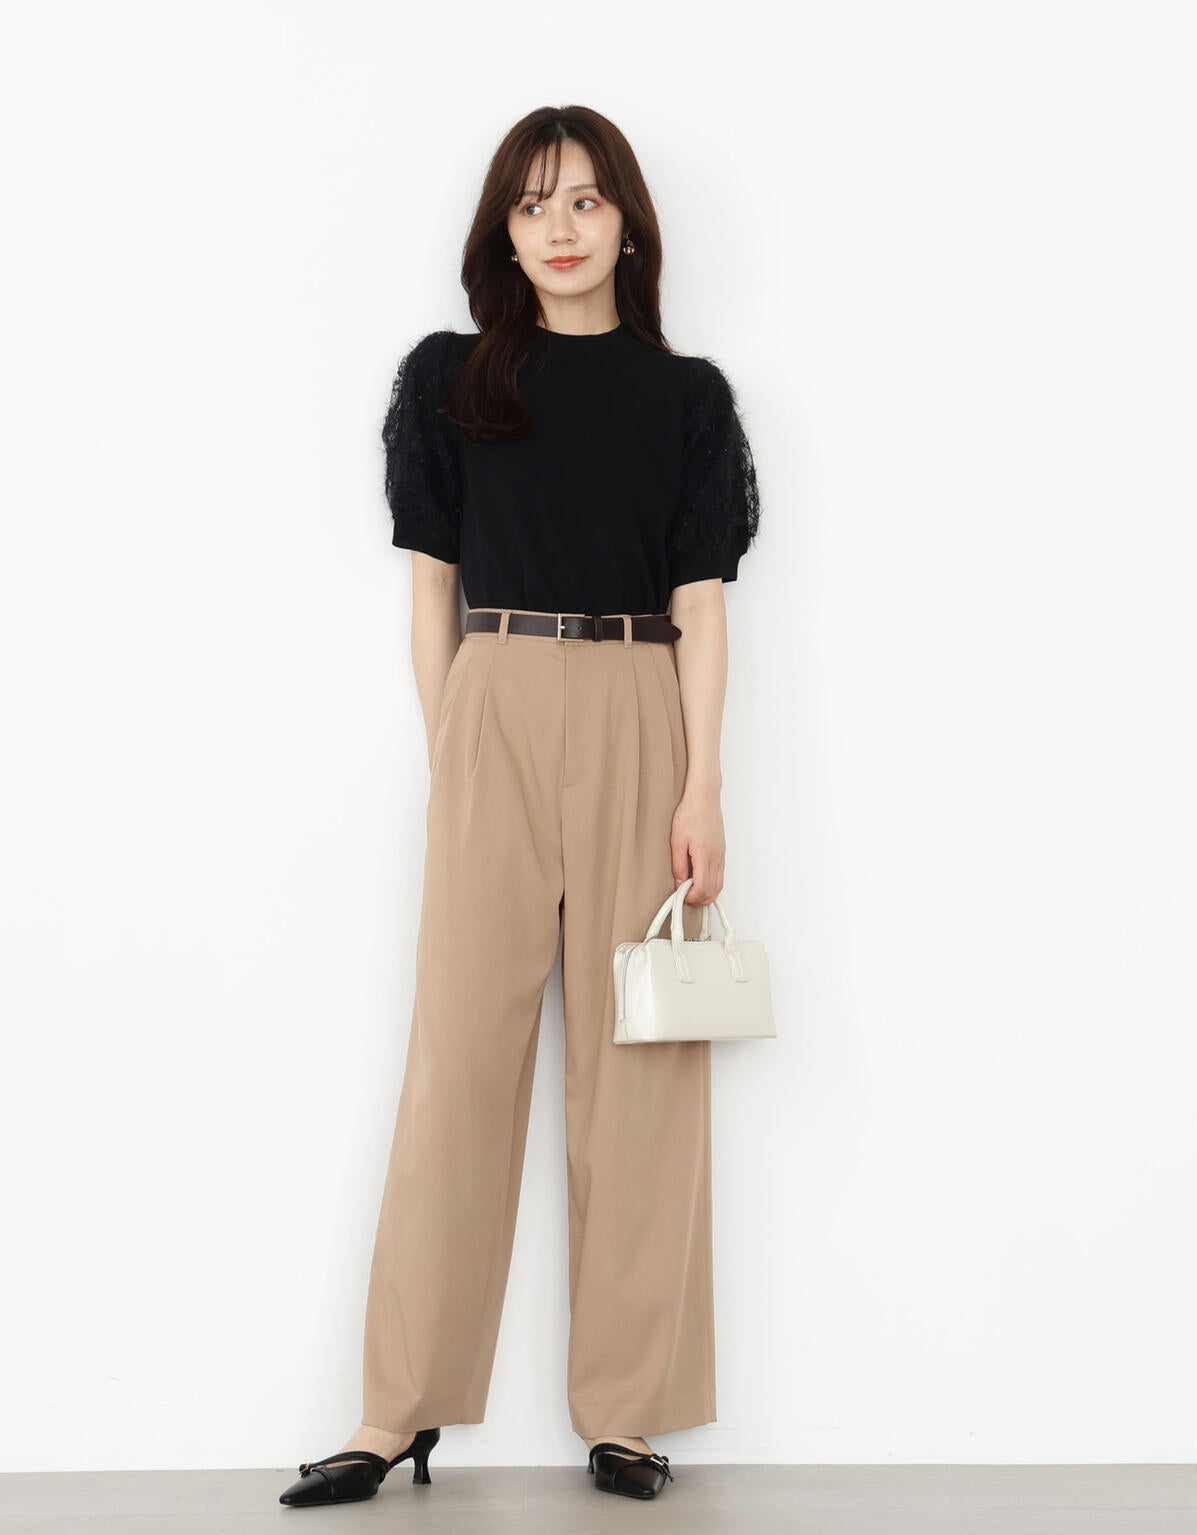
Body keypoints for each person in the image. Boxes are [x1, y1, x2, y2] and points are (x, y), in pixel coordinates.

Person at [280, 104, 761, 1509]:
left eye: (588, 201)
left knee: (642, 1070)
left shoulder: (687, 400)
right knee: (457, 1067)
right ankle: (397, 1409)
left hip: (638, 700)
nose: (562, 227)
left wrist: (701, 782)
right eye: (536, 202)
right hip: (491, 694)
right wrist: (456, 748)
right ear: (504, 226)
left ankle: (630, 1411)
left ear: (629, 226)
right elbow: (430, 589)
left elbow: (702, 607)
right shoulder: (452, 380)